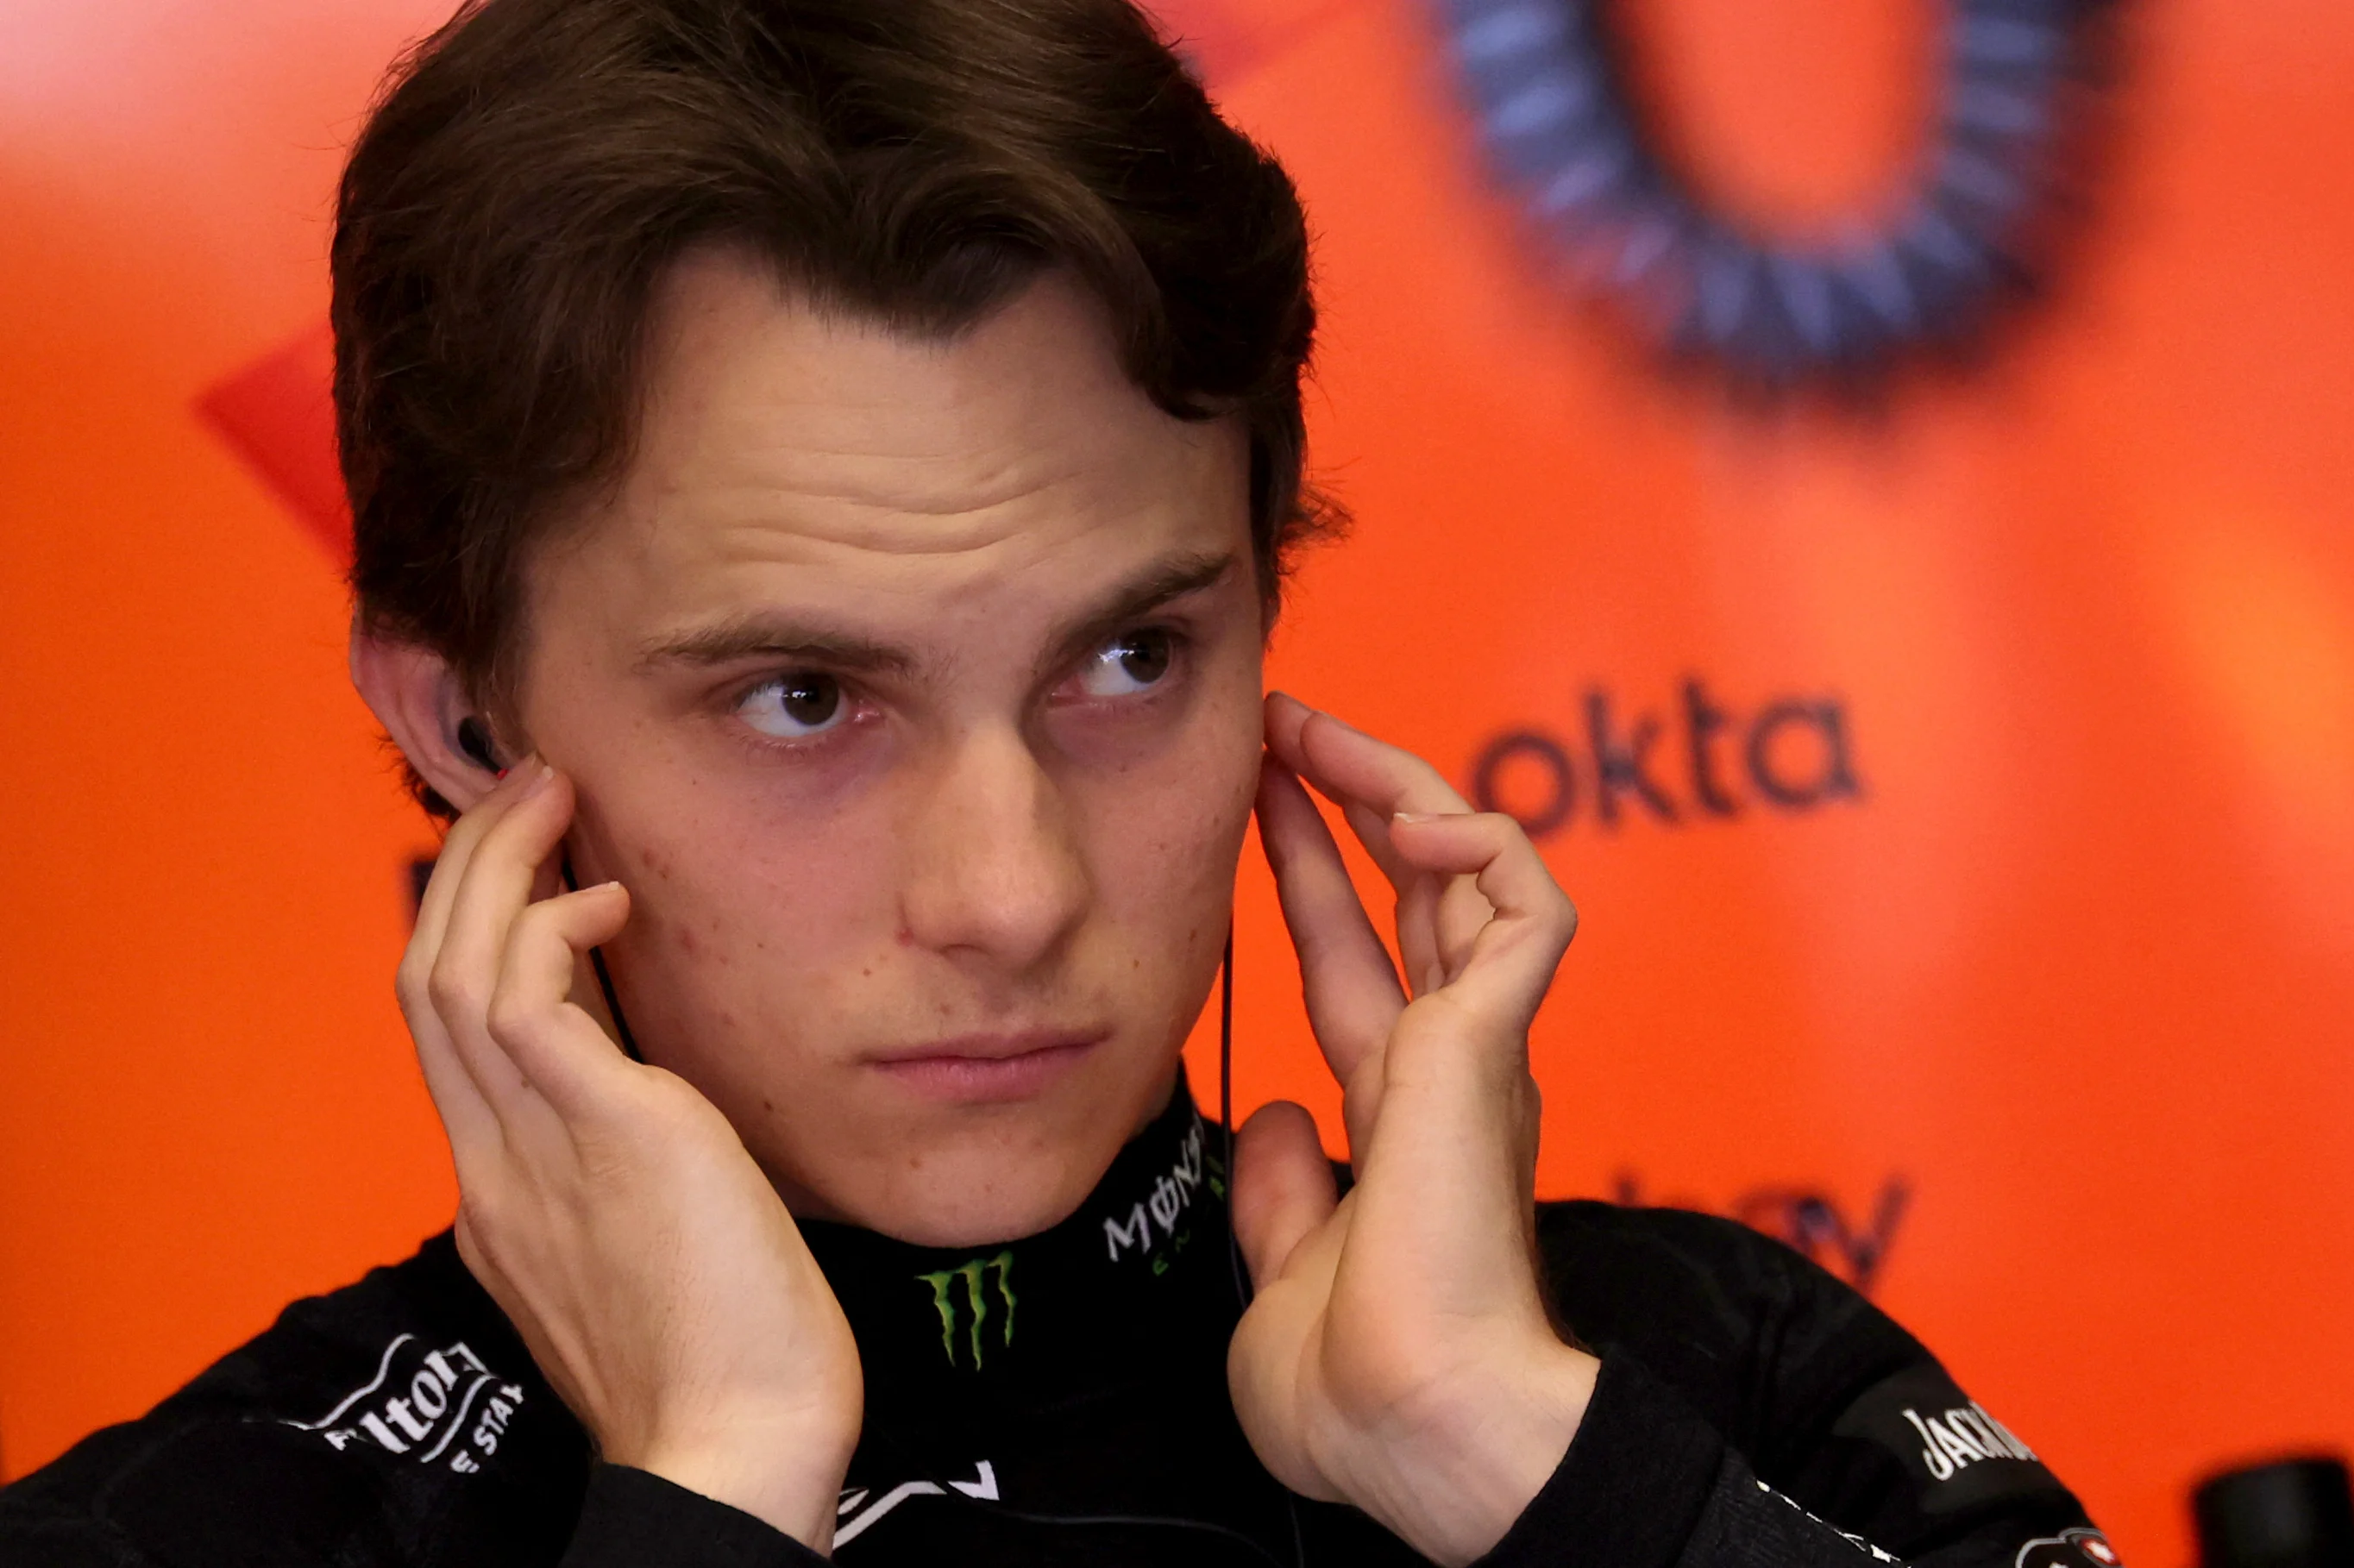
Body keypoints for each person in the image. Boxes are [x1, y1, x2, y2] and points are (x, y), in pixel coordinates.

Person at [0, 1, 2117, 1564]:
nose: (1008, 894)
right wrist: (711, 1489)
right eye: (806, 700)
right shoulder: (196, 1530)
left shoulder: (1672, 1380)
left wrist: (1519, 1465)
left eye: (1126, 659)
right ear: (467, 723)